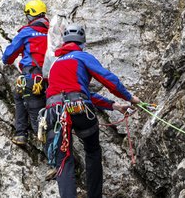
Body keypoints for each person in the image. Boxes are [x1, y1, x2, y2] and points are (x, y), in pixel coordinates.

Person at [44, 23, 141, 198]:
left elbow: (73, 92)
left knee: (63, 160)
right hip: (80, 109)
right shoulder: (82, 57)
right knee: (92, 151)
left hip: (54, 111)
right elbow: (107, 79)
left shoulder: (55, 64)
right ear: (82, 42)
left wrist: (113, 105)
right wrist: (129, 98)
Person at [1, 0, 49, 146]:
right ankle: (21, 133)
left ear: (30, 15)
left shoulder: (26, 33)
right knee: (19, 95)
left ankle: (22, 134)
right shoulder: (52, 32)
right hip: (51, 78)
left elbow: (8, 57)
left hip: (33, 78)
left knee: (36, 118)